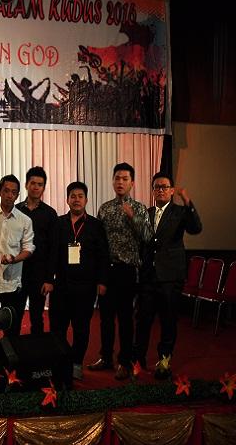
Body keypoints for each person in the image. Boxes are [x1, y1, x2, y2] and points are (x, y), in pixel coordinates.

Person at [133, 173, 202, 379]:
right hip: (148, 277)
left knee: (168, 321)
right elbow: (143, 241)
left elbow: (196, 228)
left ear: (172, 191)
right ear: (153, 191)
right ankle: (138, 360)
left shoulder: (180, 211)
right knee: (143, 321)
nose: (160, 190)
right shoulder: (147, 213)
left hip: (170, 277)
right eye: (157, 187)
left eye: (164, 187)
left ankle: (164, 361)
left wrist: (187, 201)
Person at [89, 162, 153, 380]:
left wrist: (133, 217)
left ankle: (125, 361)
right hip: (107, 270)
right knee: (105, 318)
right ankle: (106, 357)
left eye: (125, 179)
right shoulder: (105, 208)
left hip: (127, 270)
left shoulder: (140, 209)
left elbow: (148, 237)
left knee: (125, 318)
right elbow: (98, 242)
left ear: (132, 183)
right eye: (117, 178)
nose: (120, 182)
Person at [48, 182, 109, 381]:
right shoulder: (58, 223)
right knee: (58, 328)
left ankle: (76, 363)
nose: (76, 200)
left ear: (86, 200)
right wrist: (48, 280)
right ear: (67, 200)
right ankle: (60, 362)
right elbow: (51, 254)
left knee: (81, 328)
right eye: (72, 196)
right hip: (61, 285)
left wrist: (102, 281)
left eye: (80, 196)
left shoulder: (95, 225)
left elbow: (103, 256)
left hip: (86, 287)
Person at [0, 174, 35, 352]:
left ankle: (9, 362)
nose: (9, 195)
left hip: (11, 283)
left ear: (18, 195)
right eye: (6, 191)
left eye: (13, 192)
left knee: (11, 328)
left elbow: (28, 248)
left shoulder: (25, 221)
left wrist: (14, 259)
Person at [16, 166, 58, 335]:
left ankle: (37, 350)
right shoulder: (16, 210)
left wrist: (49, 279)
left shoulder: (50, 214)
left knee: (36, 317)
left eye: (40, 184)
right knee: (15, 316)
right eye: (33, 183)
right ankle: (12, 350)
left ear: (44, 188)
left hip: (39, 274)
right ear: (26, 185)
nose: (36, 187)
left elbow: (53, 249)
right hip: (17, 272)